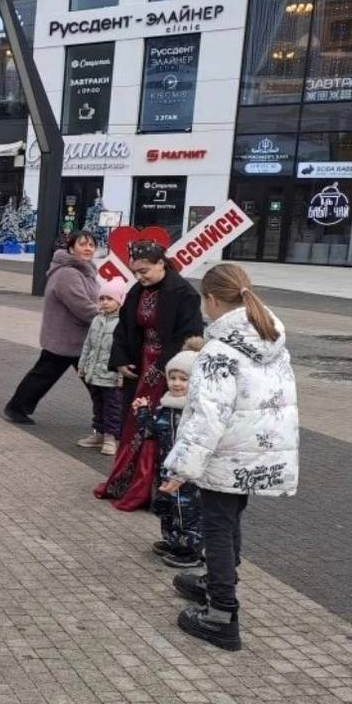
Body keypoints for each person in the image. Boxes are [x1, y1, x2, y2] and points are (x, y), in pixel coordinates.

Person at [164, 264, 299, 652]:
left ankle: (222, 613)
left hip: (226, 453)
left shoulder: (218, 352)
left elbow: (208, 416)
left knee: (217, 529)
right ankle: (217, 583)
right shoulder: (271, 338)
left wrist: (181, 468)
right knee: (229, 520)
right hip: (258, 451)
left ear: (210, 300)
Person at [95, 241, 203, 504]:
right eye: (135, 272)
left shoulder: (184, 294)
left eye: (144, 271)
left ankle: (152, 488)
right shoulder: (136, 292)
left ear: (160, 264)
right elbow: (124, 328)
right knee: (133, 421)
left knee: (158, 425)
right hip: (140, 362)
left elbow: (188, 335)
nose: (139, 277)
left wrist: (165, 369)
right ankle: (126, 480)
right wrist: (120, 360)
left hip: (170, 370)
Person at [3, 230, 100, 425]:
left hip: (74, 337)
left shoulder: (85, 270)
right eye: (82, 244)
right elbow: (81, 306)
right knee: (94, 380)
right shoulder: (68, 273)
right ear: (71, 249)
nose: (88, 248)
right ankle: (108, 418)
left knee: (47, 375)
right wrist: (107, 319)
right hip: (66, 338)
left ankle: (17, 407)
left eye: (91, 245)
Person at [140, 338, 204, 568]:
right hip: (166, 467)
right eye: (172, 378)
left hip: (187, 472)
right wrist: (143, 414)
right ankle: (173, 540)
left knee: (186, 510)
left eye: (184, 379)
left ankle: (191, 549)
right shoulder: (165, 406)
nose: (176, 384)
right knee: (167, 506)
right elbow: (150, 433)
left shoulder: (197, 410)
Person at [76, 277, 127, 456]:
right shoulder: (97, 320)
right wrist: (82, 367)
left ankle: (111, 438)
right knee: (98, 406)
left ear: (120, 300)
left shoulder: (123, 323)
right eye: (102, 298)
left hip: (111, 376)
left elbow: (125, 352)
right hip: (94, 373)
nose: (104, 302)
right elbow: (88, 345)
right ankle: (98, 434)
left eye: (110, 299)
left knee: (112, 408)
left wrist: (122, 376)